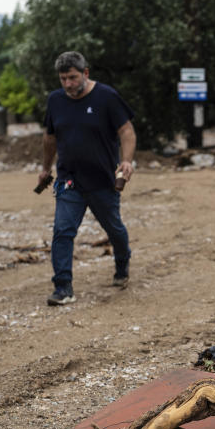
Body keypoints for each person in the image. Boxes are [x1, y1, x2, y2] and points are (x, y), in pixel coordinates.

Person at [38, 51, 136, 306]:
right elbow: (50, 138)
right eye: (63, 79)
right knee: (62, 231)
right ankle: (63, 288)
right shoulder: (55, 100)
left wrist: (126, 160)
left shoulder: (106, 97)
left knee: (114, 229)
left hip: (103, 181)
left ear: (85, 73)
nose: (68, 84)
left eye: (72, 77)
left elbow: (126, 131)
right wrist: (46, 168)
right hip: (69, 180)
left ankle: (122, 264)